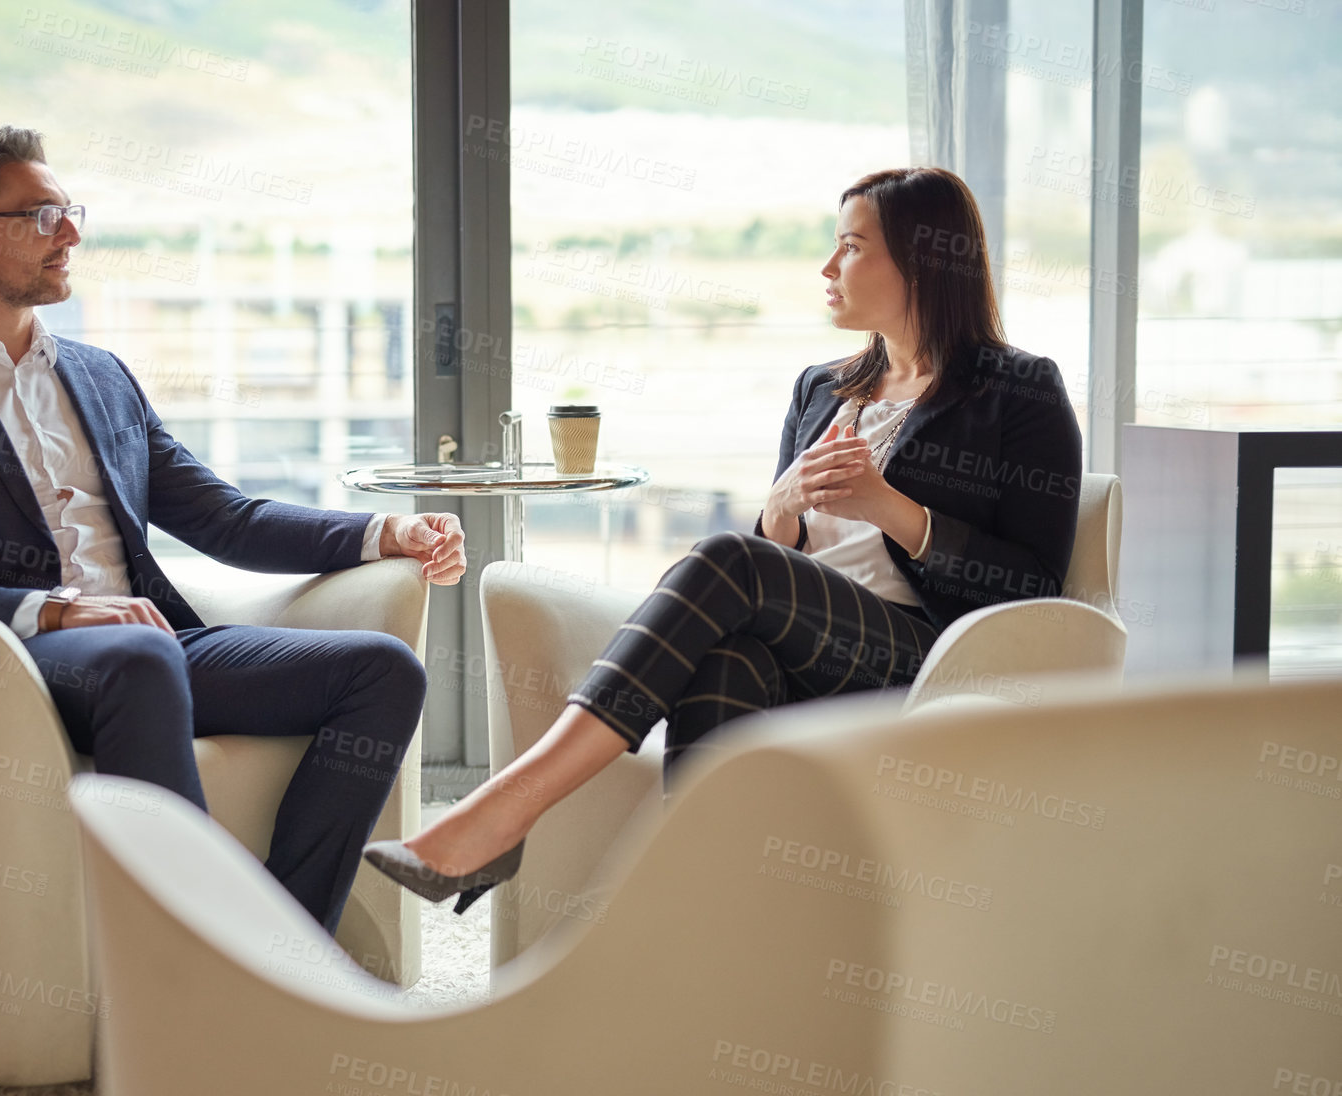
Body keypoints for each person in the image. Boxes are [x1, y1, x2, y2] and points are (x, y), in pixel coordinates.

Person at [365, 166, 1082, 912]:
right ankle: (705, 925)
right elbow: (779, 554)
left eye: (850, 247)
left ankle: (509, 806)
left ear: (924, 259)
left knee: (727, 559)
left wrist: (893, 508)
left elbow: (1035, 586)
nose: (827, 268)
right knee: (725, 661)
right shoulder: (821, 387)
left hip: (918, 660)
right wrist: (778, 511)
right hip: (803, 645)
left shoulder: (1015, 390)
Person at [0, 126, 465, 933]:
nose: (72, 234)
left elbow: (223, 518)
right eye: (43, 215)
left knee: (382, 669)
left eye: (70, 211)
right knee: (136, 651)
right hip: (22, 660)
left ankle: (286, 943)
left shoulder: (99, 374)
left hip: (151, 643)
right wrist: (61, 610)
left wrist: (385, 532)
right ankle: (184, 950)